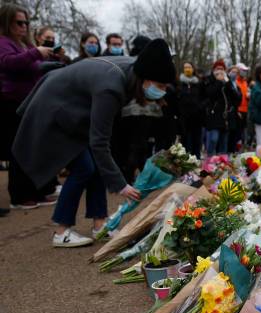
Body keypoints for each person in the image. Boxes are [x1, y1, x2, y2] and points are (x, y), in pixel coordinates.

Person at [13, 39, 176, 247]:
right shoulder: (111, 88)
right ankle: (61, 232)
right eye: (160, 85)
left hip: (71, 110)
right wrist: (121, 185)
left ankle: (100, 224)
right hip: (53, 108)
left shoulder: (133, 70)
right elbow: (99, 142)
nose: (162, 91)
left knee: (97, 167)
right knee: (84, 168)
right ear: (145, 78)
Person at [0, 3, 57, 211]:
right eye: (19, 22)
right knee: (19, 150)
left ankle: (36, 191)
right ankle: (19, 195)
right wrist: (36, 54)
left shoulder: (24, 45)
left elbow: (32, 68)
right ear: (7, 22)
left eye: (26, 22)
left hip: (30, 102)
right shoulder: (3, 42)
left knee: (33, 149)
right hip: (12, 103)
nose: (23, 26)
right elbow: (8, 63)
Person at [202, 59, 241, 155]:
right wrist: (218, 82)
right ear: (214, 69)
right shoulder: (209, 80)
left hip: (225, 116)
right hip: (214, 114)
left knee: (224, 141)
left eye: (222, 69)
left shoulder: (227, 81)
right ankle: (210, 157)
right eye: (217, 68)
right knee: (214, 139)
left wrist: (227, 83)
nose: (220, 71)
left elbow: (235, 97)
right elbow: (210, 94)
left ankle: (222, 162)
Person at [177, 61, 203, 157]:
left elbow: (205, 97)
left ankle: (196, 160)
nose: (187, 69)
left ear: (193, 69)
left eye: (189, 67)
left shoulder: (199, 83)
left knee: (196, 141)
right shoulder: (180, 84)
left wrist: (200, 107)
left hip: (197, 117)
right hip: (184, 118)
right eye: (185, 67)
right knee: (186, 141)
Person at [235, 63, 250, 148]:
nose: (244, 72)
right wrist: (237, 110)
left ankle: (240, 147)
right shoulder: (235, 82)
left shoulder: (245, 82)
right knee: (237, 131)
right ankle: (235, 149)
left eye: (245, 71)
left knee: (242, 131)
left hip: (245, 110)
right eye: (243, 70)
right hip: (238, 110)